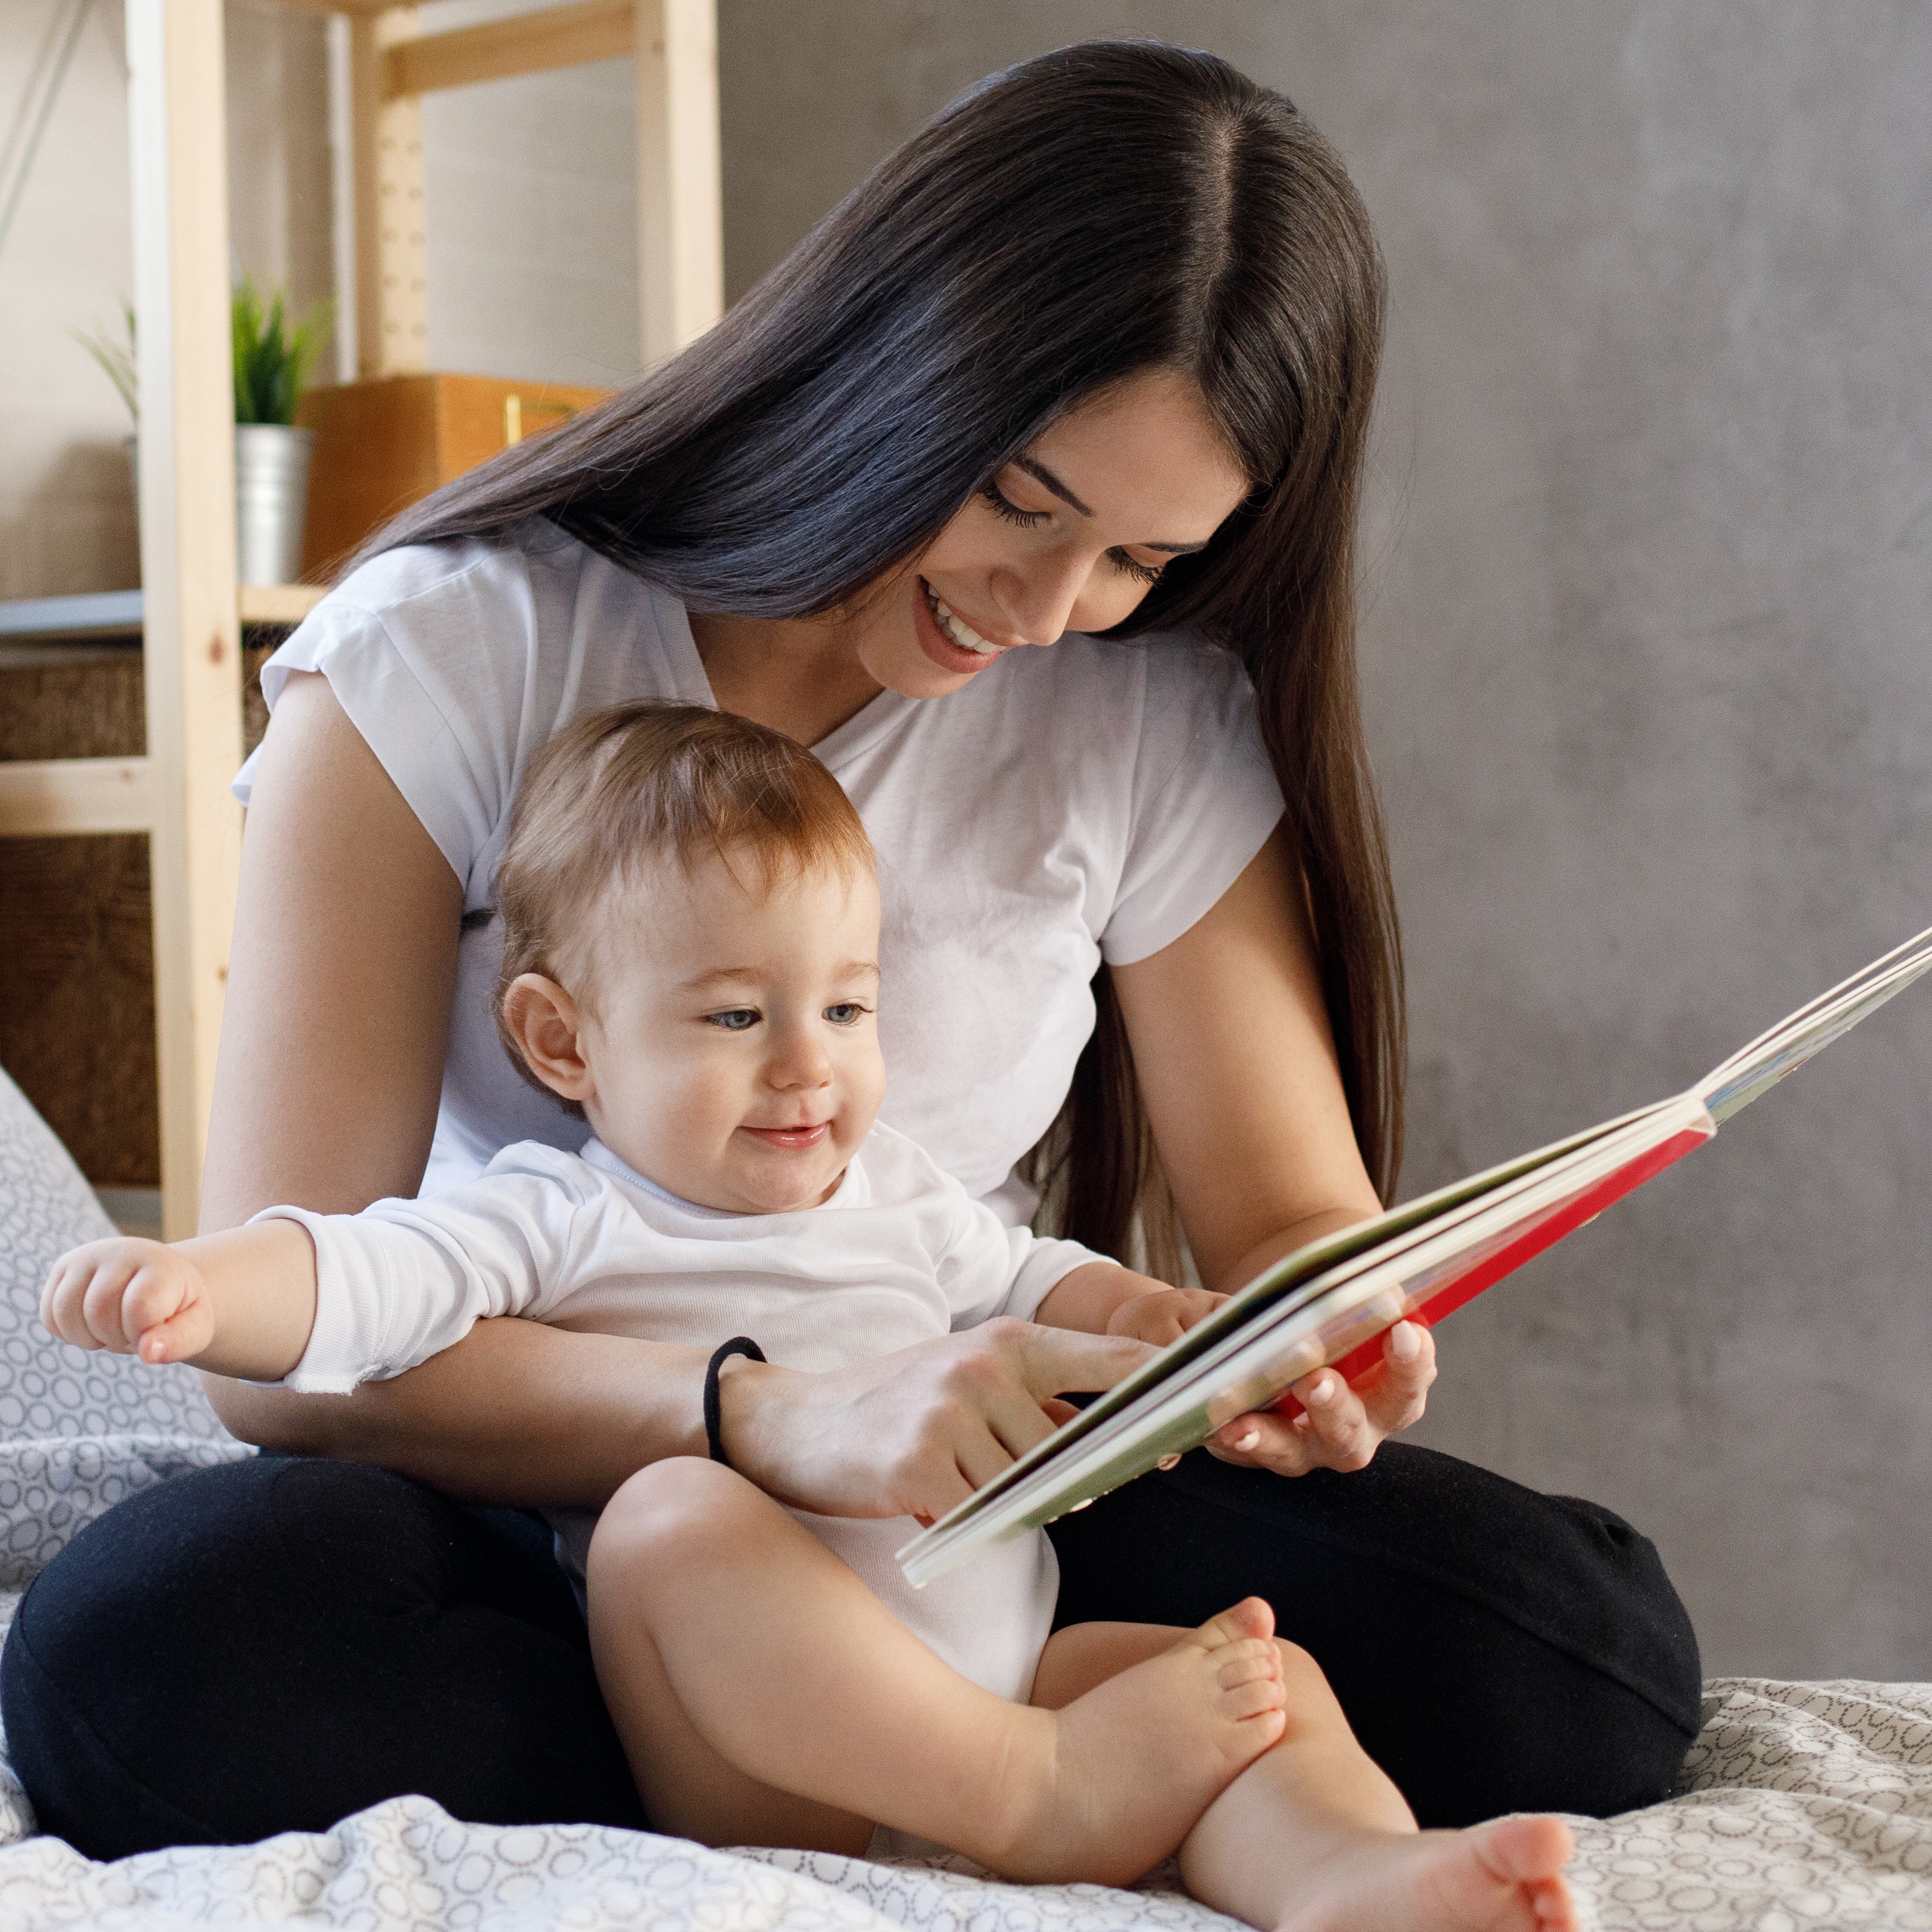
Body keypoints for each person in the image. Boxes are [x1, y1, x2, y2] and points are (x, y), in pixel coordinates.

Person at [0, 41, 1700, 1860]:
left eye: (1137, 556)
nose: (1041, 613)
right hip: (547, 1472)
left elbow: (1284, 1223)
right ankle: (878, 1742)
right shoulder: (454, 645)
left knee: (1568, 1656)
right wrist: (756, 1417)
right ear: (893, 362)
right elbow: (284, 1363)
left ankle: (828, 1730)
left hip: (962, 1481)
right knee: (146, 1659)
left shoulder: (1139, 707)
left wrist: (1311, 1340)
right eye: (1025, 501)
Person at [43, 702, 1580, 1931]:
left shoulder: (896, 1191)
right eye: (736, 1017)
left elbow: (1037, 1279)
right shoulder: (559, 1212)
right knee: (667, 1520)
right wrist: (196, 1282)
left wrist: (1178, 1323)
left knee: (1264, 1680)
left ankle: (1349, 1884)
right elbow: (354, 1279)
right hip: (768, 1758)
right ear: (561, 1040)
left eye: (846, 1008)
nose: (809, 1069)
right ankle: (1024, 1795)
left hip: (1005, 1660)